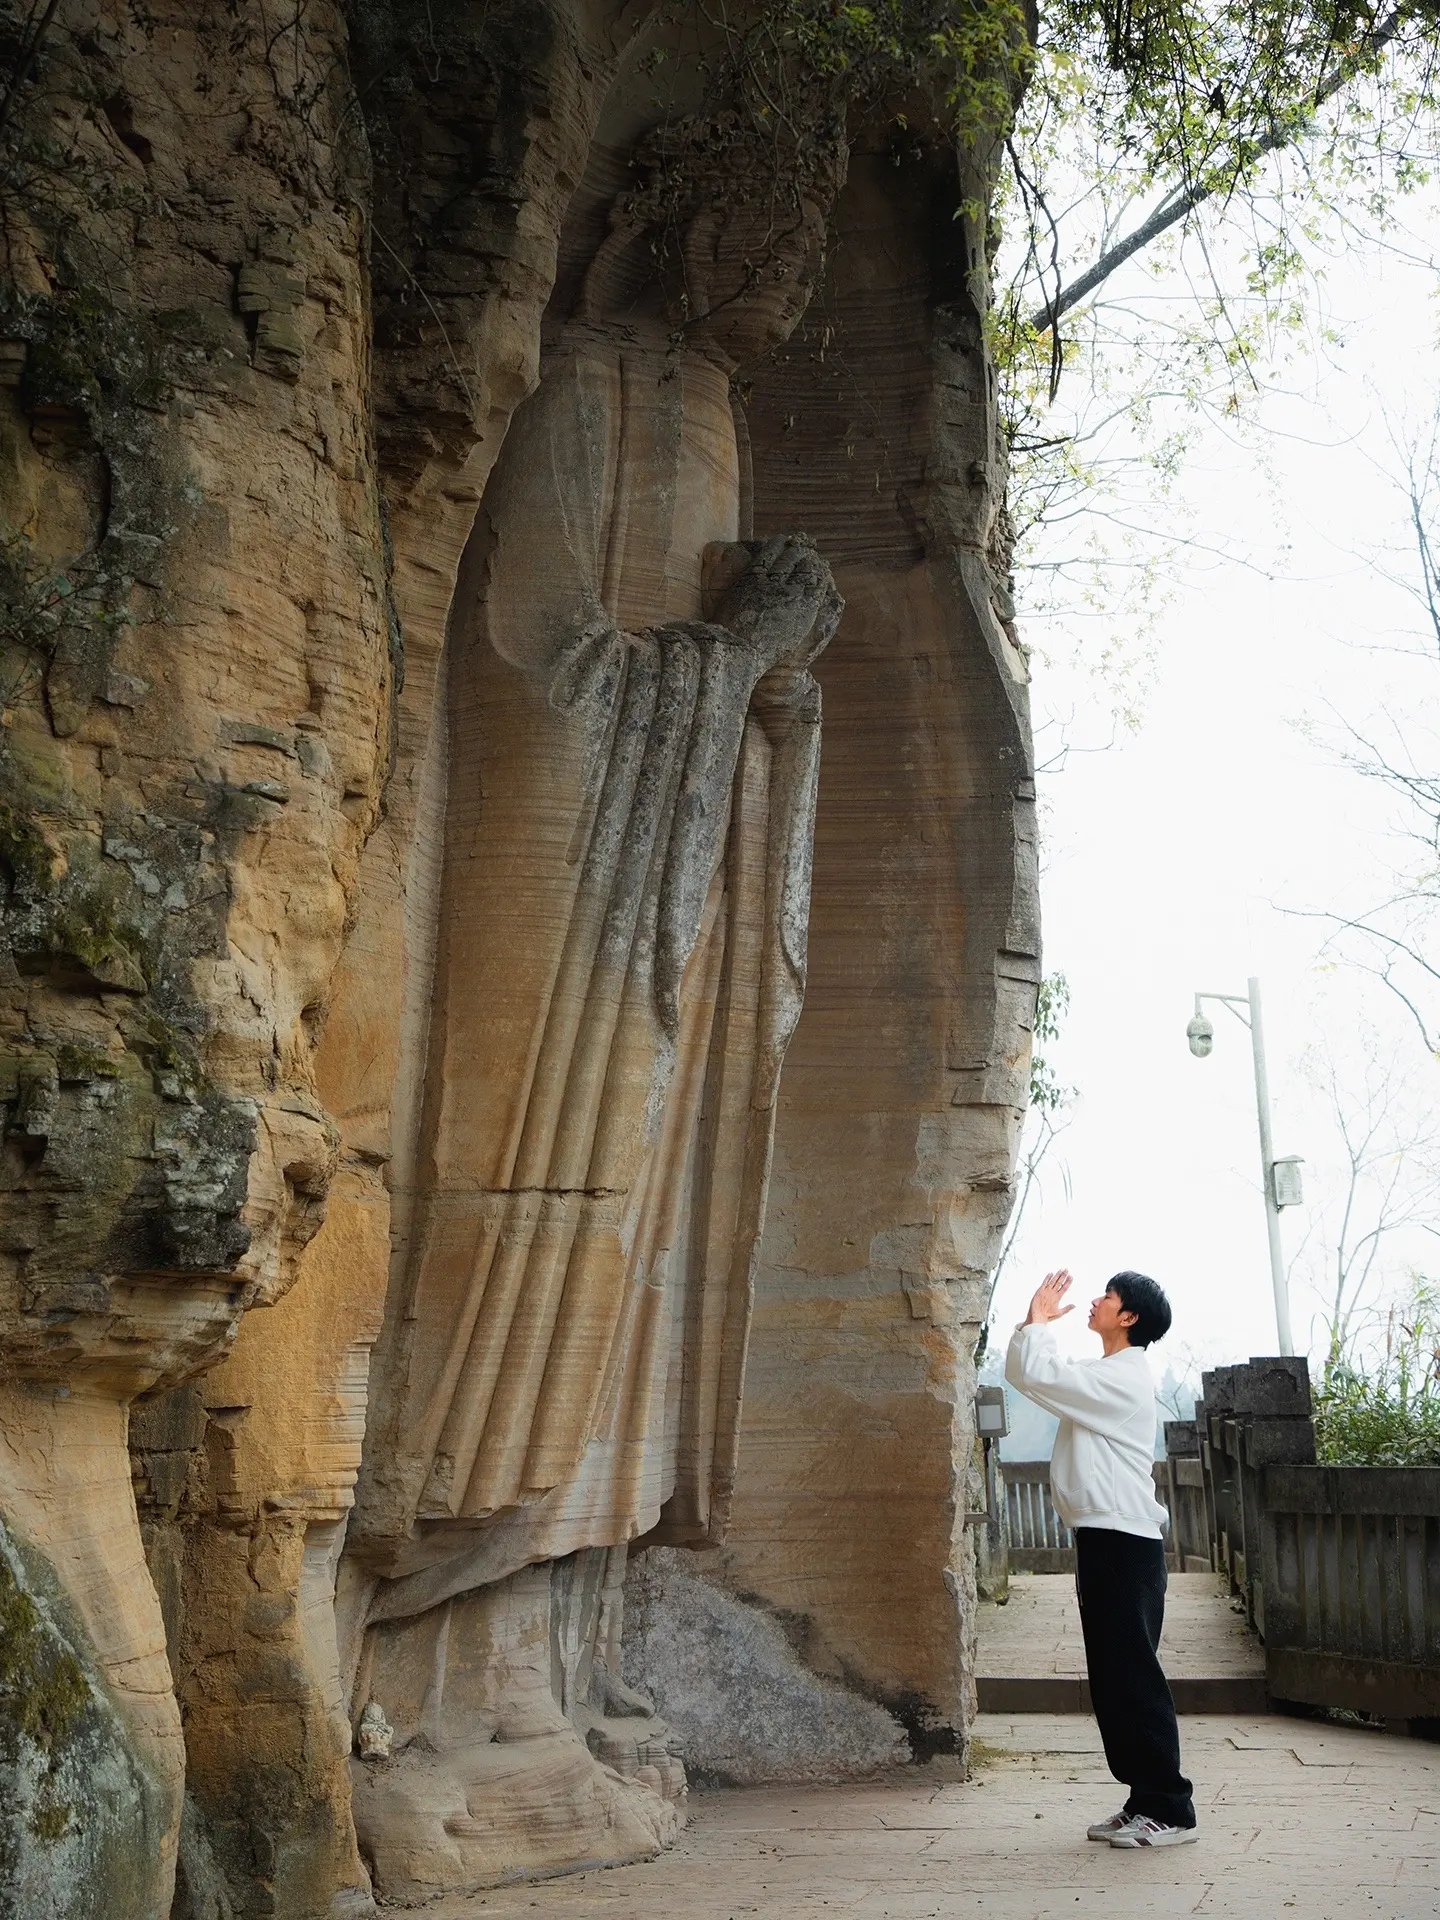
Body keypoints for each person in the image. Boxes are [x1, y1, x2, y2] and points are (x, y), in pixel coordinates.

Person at [1005, 1268, 1198, 1848]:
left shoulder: (1127, 1378)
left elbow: (1039, 1373)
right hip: (1104, 1536)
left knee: (1132, 1674)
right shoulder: (1106, 1374)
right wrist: (1031, 1327)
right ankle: (1143, 1798)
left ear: (1130, 1316)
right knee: (1114, 1677)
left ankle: (1170, 1808)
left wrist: (1038, 1323)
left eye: (1108, 1297)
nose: (1096, 1300)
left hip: (1125, 1540)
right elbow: (1032, 1377)